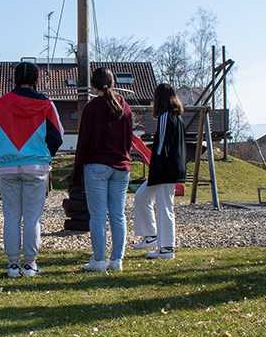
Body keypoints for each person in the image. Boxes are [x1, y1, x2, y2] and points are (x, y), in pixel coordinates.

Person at [0, 61, 63, 277]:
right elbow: (57, 137)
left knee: (11, 216)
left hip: (7, 167)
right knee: (32, 217)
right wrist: (45, 157)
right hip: (36, 167)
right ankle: (29, 264)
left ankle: (12, 265)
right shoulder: (47, 105)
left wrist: (1, 157)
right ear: (37, 80)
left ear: (14, 79)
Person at [71, 67, 133, 272]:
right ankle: (116, 260)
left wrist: (77, 172)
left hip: (97, 165)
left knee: (98, 215)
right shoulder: (125, 107)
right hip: (121, 166)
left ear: (93, 85)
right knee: (118, 215)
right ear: (113, 82)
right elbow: (129, 140)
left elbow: (84, 142)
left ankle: (98, 260)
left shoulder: (92, 107)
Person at [133, 83, 187, 259]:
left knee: (164, 207)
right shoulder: (177, 117)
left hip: (165, 170)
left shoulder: (166, 117)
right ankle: (151, 236)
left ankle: (167, 248)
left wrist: (155, 167)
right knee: (141, 197)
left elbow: (161, 146)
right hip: (166, 170)